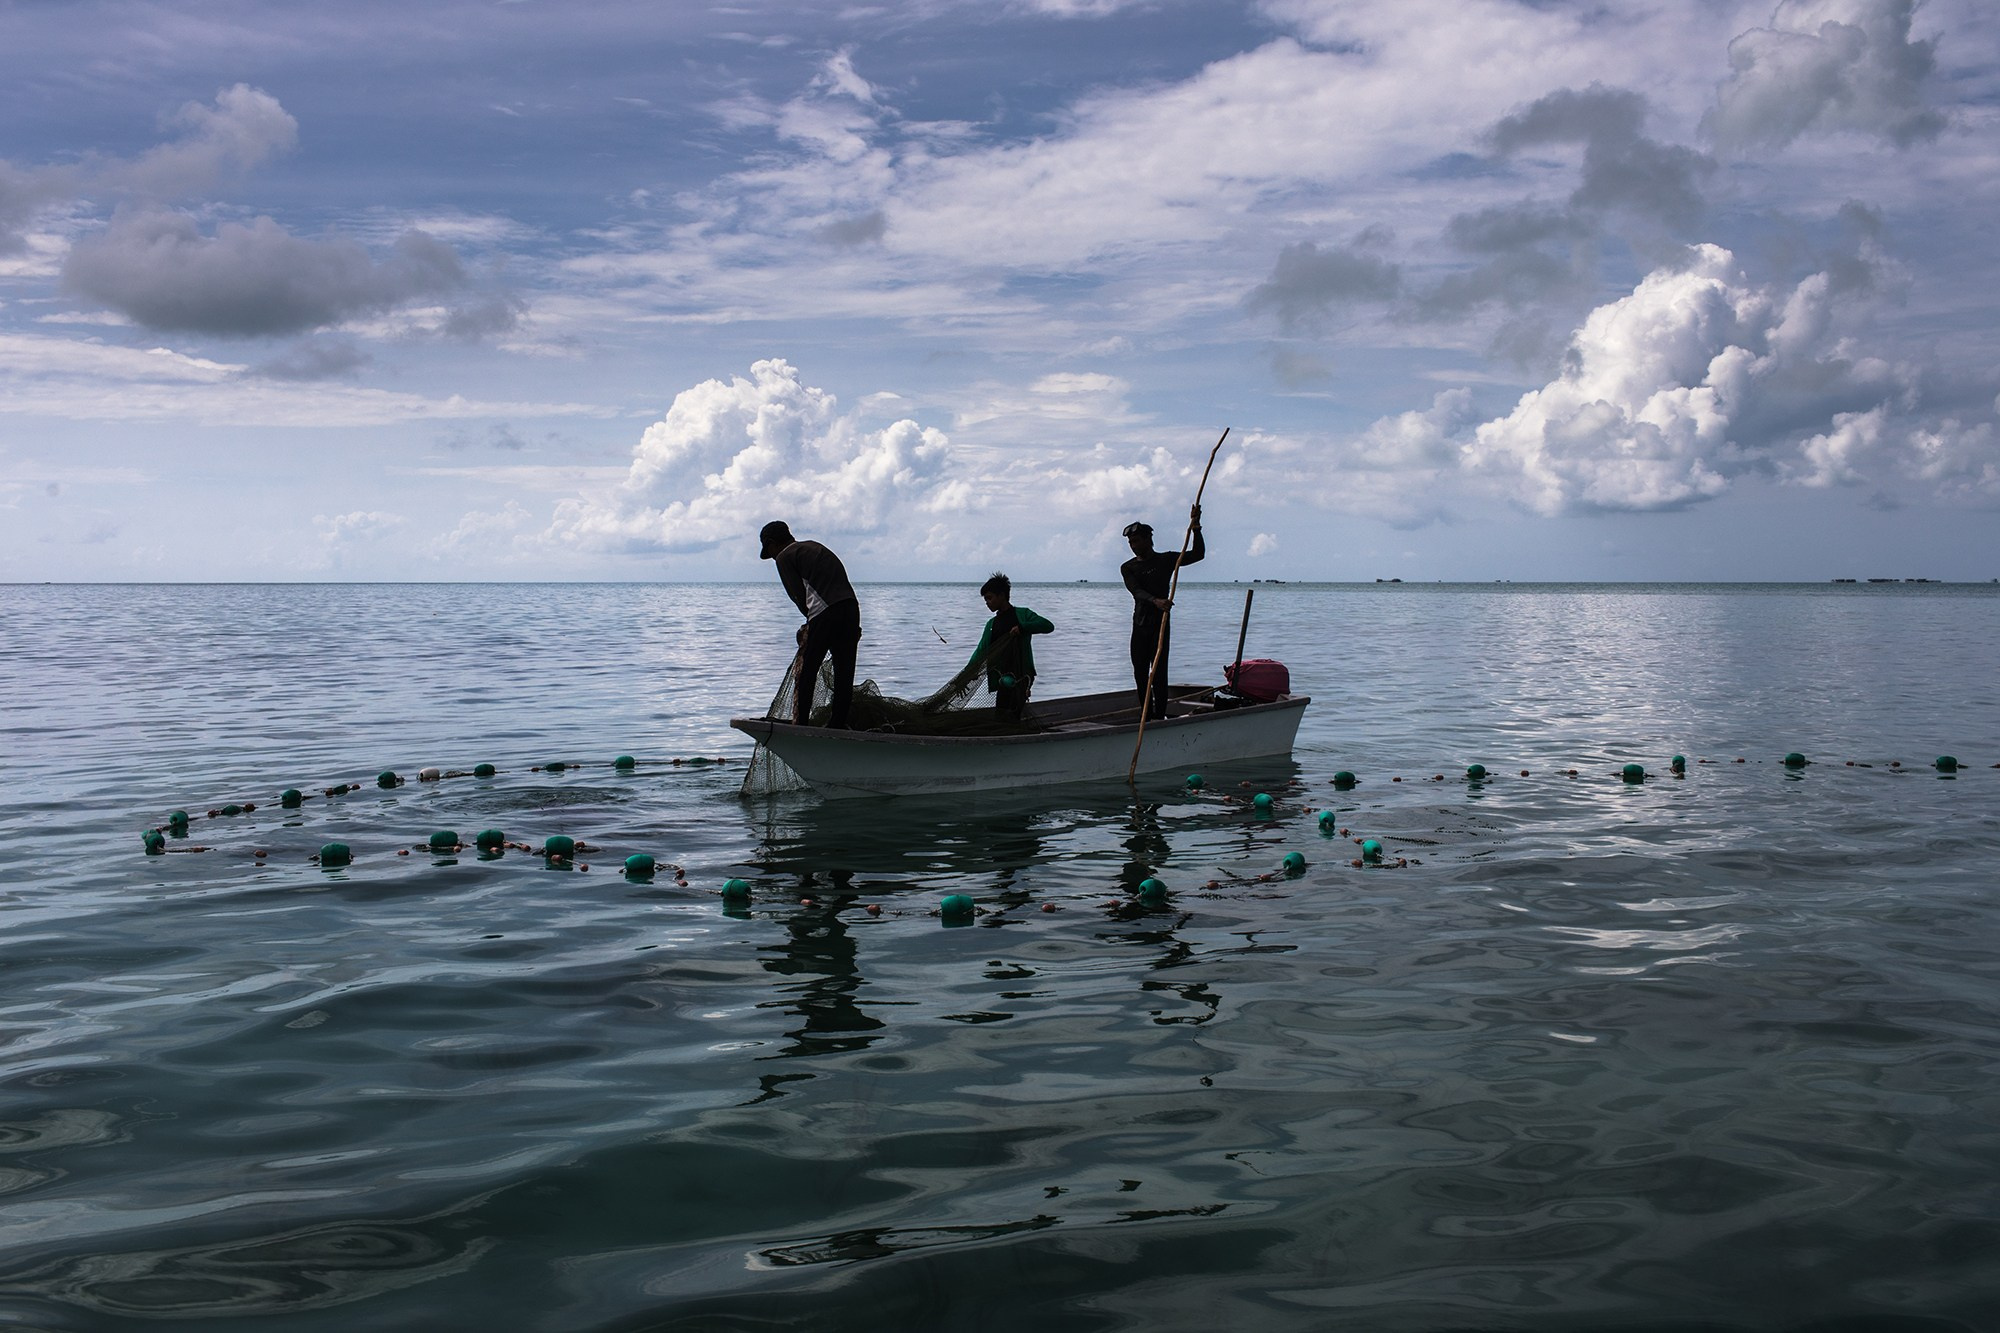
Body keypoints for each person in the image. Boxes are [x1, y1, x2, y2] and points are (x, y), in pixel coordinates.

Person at [759, 521, 861, 728]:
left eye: (769, 552)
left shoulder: (784, 557)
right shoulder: (814, 546)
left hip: (825, 612)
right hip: (851, 609)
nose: (772, 558)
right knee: (844, 672)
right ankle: (837, 724)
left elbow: (798, 596)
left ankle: (801, 725)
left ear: (772, 544)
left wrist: (808, 625)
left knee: (807, 672)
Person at [1120, 504, 1203, 719]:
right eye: (1130, 543)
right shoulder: (1128, 567)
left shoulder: (1166, 560)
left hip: (1160, 625)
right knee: (1140, 673)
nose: (1133, 546)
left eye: (1136, 541)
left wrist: (1196, 527)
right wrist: (1156, 600)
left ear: (1149, 539)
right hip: (1140, 625)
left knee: (1158, 673)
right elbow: (1136, 591)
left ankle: (1159, 717)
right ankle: (1146, 714)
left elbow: (1198, 554)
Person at [967, 573, 1054, 720]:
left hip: (1022, 675)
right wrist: (967, 674)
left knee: (1011, 713)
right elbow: (981, 651)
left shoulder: (1022, 615)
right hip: (1002, 677)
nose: (987, 602)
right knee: (1004, 713)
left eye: (989, 598)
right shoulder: (991, 625)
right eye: (985, 600)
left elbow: (1048, 626)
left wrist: (1023, 628)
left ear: (1002, 595)